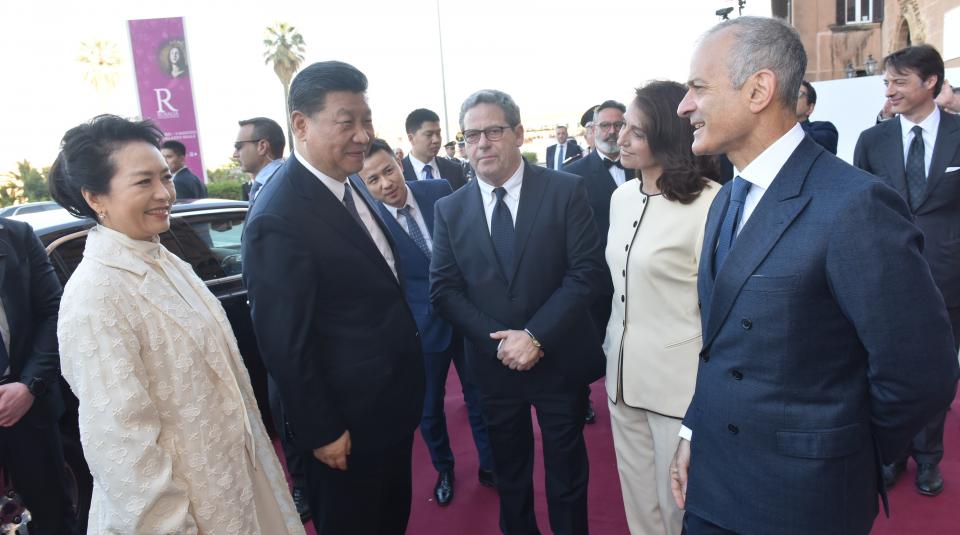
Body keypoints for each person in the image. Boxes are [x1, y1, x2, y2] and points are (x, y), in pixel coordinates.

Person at [670, 17, 958, 535]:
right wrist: (695, 429)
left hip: (804, 501)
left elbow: (920, 371)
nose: (684, 106)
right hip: (714, 485)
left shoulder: (854, 205)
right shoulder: (726, 201)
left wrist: (840, 447)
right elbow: (723, 345)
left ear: (759, 89)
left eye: (697, 88)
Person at [49, 114, 303, 534]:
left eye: (165, 178)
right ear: (96, 197)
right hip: (185, 514)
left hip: (237, 488)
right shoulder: (95, 294)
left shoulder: (167, 260)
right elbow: (122, 447)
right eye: (142, 182)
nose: (164, 193)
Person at [241, 61, 425, 535]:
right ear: (301, 124)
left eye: (366, 121)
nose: (363, 136)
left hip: (388, 409)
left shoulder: (348, 185)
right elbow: (284, 343)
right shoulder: (278, 216)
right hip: (344, 429)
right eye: (347, 123)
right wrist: (321, 429)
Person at [431, 89, 605, 535]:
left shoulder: (565, 190)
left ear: (519, 134)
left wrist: (535, 336)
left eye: (493, 131)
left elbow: (585, 273)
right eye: (472, 135)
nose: (483, 143)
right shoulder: (449, 210)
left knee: (567, 476)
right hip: (493, 367)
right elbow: (445, 290)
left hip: (558, 358)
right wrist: (504, 342)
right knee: (510, 477)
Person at [604, 80, 718, 535]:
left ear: (668, 137)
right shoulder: (620, 198)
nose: (621, 138)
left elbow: (717, 307)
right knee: (639, 507)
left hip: (679, 388)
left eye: (636, 131)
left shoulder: (710, 202)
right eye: (623, 127)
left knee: (678, 509)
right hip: (621, 378)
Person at [359, 138, 495, 506]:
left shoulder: (438, 190)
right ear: (363, 185)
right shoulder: (366, 222)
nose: (385, 183)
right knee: (430, 408)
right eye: (372, 180)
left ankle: (489, 464)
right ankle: (444, 468)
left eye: (388, 171)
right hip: (421, 330)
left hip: (466, 318)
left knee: (478, 395)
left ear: (399, 163)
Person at [853, 44, 960, 497]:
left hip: (949, 274)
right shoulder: (871, 140)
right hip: (887, 276)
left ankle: (929, 456)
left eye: (899, 80)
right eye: (886, 81)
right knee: (886, 368)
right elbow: (858, 213)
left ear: (930, 82)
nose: (889, 90)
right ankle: (892, 452)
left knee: (939, 370)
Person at [0, 217, 78, 535]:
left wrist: (30, 386)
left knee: (53, 518)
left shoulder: (17, 236)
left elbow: (53, 310)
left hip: (29, 410)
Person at [401, 108, 467, 190]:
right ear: (411, 138)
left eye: (438, 133)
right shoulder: (399, 173)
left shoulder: (454, 170)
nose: (436, 140)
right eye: (429, 134)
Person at [234, 117, 285, 205]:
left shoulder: (280, 187)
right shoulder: (277, 183)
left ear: (262, 147)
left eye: (239, 146)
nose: (235, 154)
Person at [796, 80, 838, 154]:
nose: (791, 97)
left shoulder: (824, 129)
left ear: (810, 108)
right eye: (789, 93)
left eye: (798, 93)